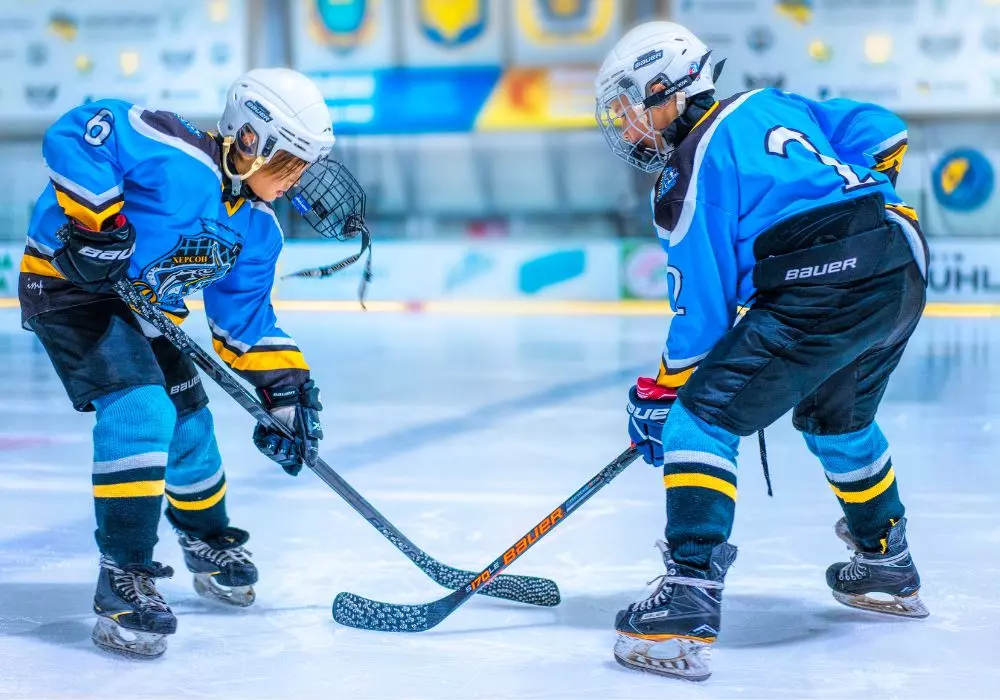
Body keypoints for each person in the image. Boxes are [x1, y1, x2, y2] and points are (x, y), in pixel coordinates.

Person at [594, 21, 929, 681]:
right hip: (900, 261)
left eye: (632, 104)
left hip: (824, 279)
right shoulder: (773, 104)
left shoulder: (686, 176)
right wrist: (855, 198)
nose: (628, 125)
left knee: (701, 416)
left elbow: (701, 322)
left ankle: (688, 592)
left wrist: (662, 397)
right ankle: (887, 561)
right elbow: (885, 131)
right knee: (839, 420)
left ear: (669, 90)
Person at [19, 68, 357, 659]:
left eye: (303, 167)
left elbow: (244, 323)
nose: (296, 180)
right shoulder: (177, 154)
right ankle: (123, 576)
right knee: (142, 406)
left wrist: (286, 394)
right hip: (69, 284)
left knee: (191, 426)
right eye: (289, 163)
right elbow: (79, 132)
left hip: (145, 302)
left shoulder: (258, 230)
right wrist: (99, 224)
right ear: (249, 139)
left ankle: (205, 540)